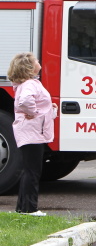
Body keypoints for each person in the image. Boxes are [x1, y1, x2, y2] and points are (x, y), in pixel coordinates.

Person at [8, 52, 57, 216]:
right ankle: (30, 209)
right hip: (32, 133)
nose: (38, 61)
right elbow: (24, 101)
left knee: (28, 170)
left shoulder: (29, 83)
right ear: (29, 67)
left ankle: (22, 208)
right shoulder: (30, 84)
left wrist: (49, 111)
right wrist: (34, 112)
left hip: (30, 132)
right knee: (33, 171)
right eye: (35, 60)